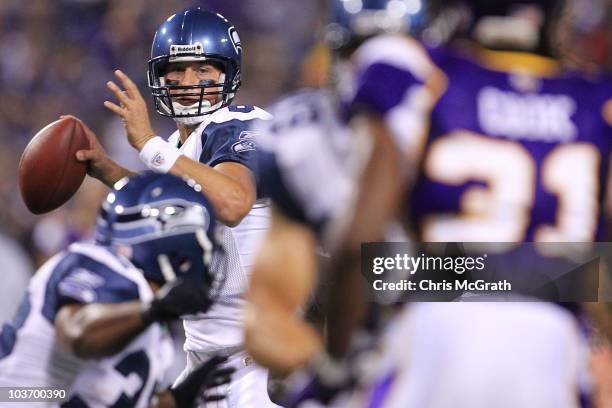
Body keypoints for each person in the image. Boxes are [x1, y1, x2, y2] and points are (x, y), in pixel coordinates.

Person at [74, 7, 276, 407]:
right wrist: (108, 170)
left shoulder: (238, 123)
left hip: (258, 359)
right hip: (205, 359)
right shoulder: (172, 150)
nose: (187, 82)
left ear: (228, 73)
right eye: (176, 70)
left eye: (203, 70)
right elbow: (180, 207)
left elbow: (233, 202)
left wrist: (147, 145)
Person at [0, 172, 232, 407]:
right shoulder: (102, 263)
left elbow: (99, 396)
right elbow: (76, 331)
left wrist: (175, 400)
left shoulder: (140, 317)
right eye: (203, 241)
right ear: (175, 240)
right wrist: (154, 309)